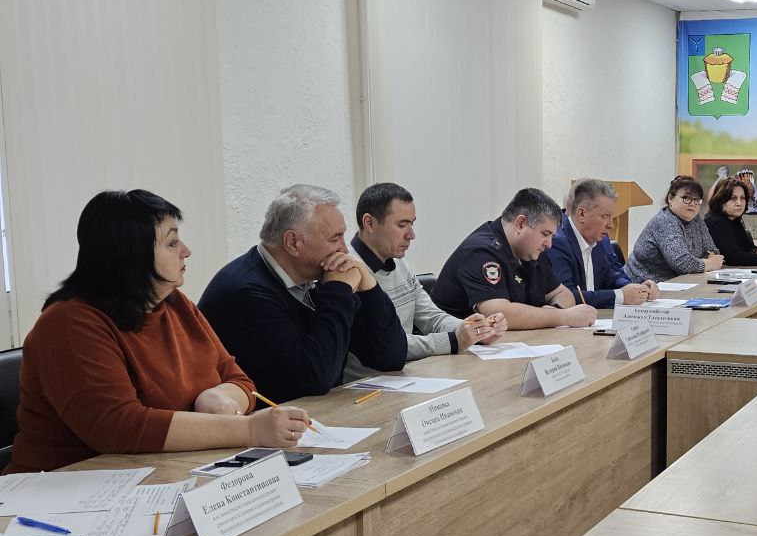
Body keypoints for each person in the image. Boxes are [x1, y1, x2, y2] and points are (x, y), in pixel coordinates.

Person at [7, 190, 310, 473]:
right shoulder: (69, 322)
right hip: (66, 487)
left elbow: (240, 381)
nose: (186, 251)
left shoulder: (174, 303)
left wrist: (216, 396)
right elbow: (118, 427)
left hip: (162, 471)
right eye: (172, 243)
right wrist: (249, 429)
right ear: (132, 253)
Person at [199, 184, 407, 402]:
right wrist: (338, 292)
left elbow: (390, 357)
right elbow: (315, 379)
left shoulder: (317, 277)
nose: (345, 250)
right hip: (266, 418)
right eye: (335, 238)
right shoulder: (246, 292)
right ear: (293, 243)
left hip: (317, 414)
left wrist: (369, 287)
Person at [345, 183, 508, 380]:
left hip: (406, 375)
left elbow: (432, 318)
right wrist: (453, 340)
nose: (411, 235)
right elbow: (390, 345)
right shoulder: (349, 273)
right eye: (401, 225)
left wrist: (477, 329)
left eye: (412, 224)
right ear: (369, 223)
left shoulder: (400, 264)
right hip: (365, 384)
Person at [431, 188, 597, 330]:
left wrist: (555, 310)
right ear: (520, 224)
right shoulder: (480, 251)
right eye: (545, 234)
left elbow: (563, 293)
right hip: (455, 352)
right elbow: (498, 314)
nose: (549, 244)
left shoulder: (531, 252)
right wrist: (562, 317)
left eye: (552, 236)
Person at [547, 179, 658, 309]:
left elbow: (609, 277)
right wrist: (620, 296)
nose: (611, 225)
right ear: (581, 214)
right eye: (605, 216)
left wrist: (637, 289)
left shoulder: (596, 238)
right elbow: (567, 296)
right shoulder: (556, 241)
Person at [623, 177, 724, 284]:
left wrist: (707, 261)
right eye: (686, 198)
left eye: (696, 199)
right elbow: (682, 263)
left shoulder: (696, 219)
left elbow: (712, 252)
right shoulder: (665, 221)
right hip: (643, 283)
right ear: (670, 199)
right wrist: (709, 264)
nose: (692, 203)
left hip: (678, 282)